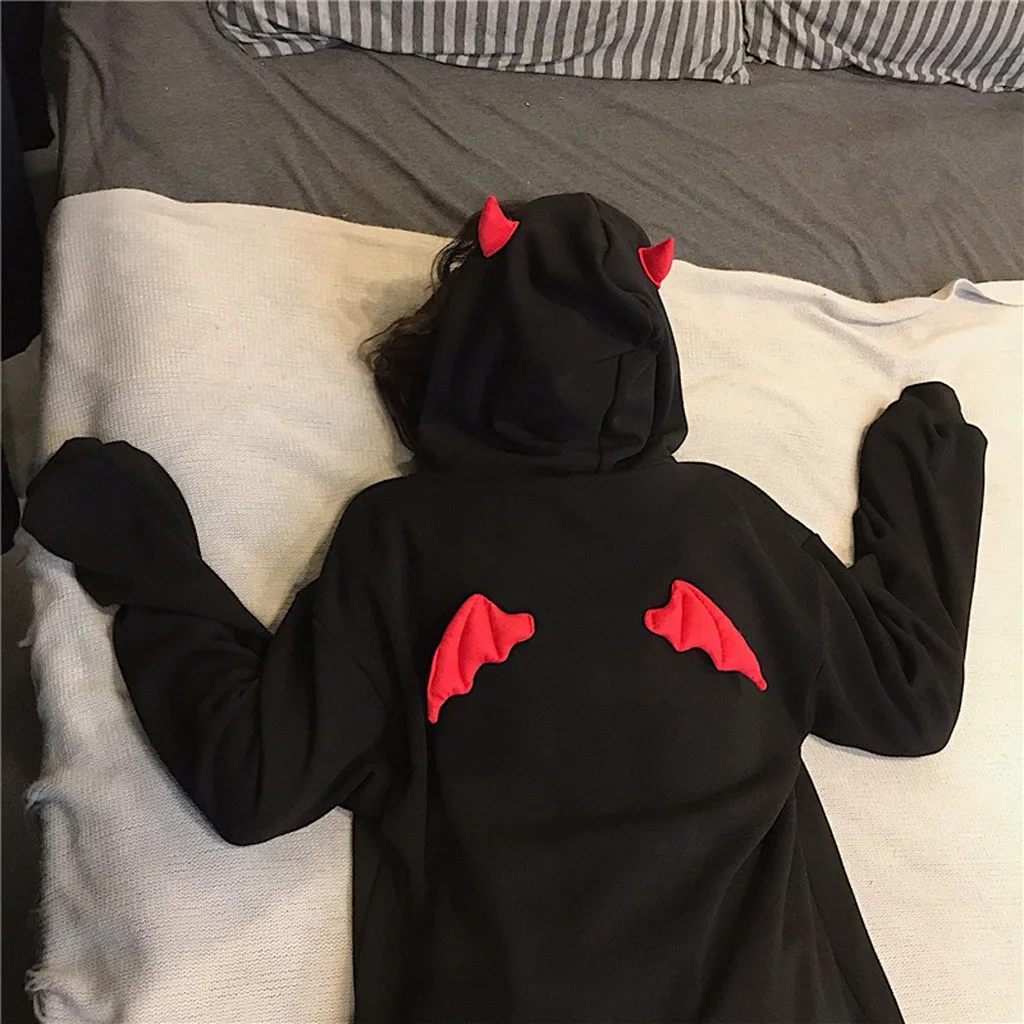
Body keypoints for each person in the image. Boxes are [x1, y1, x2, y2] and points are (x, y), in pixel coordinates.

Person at [23, 193, 986, 1023]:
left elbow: (259, 779)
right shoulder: (723, 519)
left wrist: (148, 562)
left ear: (458, 360)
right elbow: (910, 698)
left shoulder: (404, 535)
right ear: (651, 360)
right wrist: (926, 482)